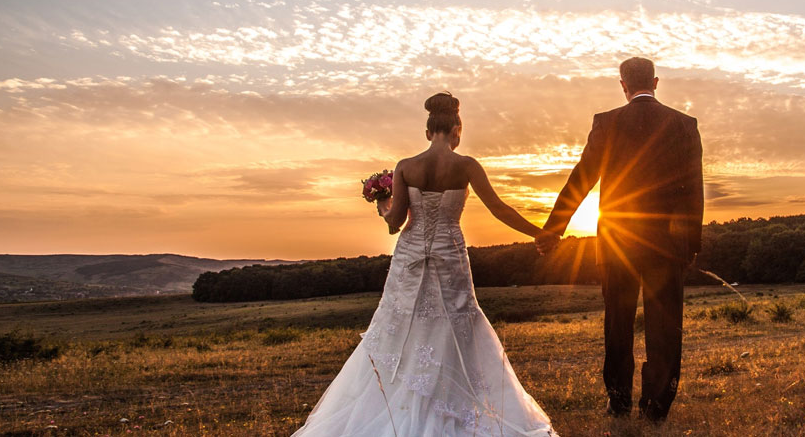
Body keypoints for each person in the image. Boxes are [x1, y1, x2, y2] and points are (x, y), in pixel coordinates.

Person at [293, 92, 558, 436]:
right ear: (456, 129)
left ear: (428, 130)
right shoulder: (467, 166)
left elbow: (396, 223)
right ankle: (452, 397)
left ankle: (398, 402)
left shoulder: (406, 166)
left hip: (410, 258)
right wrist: (541, 232)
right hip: (450, 257)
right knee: (455, 325)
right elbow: (499, 209)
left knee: (403, 324)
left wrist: (383, 207)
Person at [536, 57, 703, 422]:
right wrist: (690, 245)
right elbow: (694, 190)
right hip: (666, 244)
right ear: (656, 82)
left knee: (617, 322)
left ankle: (619, 398)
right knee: (665, 325)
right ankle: (657, 405)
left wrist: (554, 228)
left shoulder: (607, 122)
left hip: (616, 240)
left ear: (623, 85)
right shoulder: (684, 125)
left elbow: (582, 177)